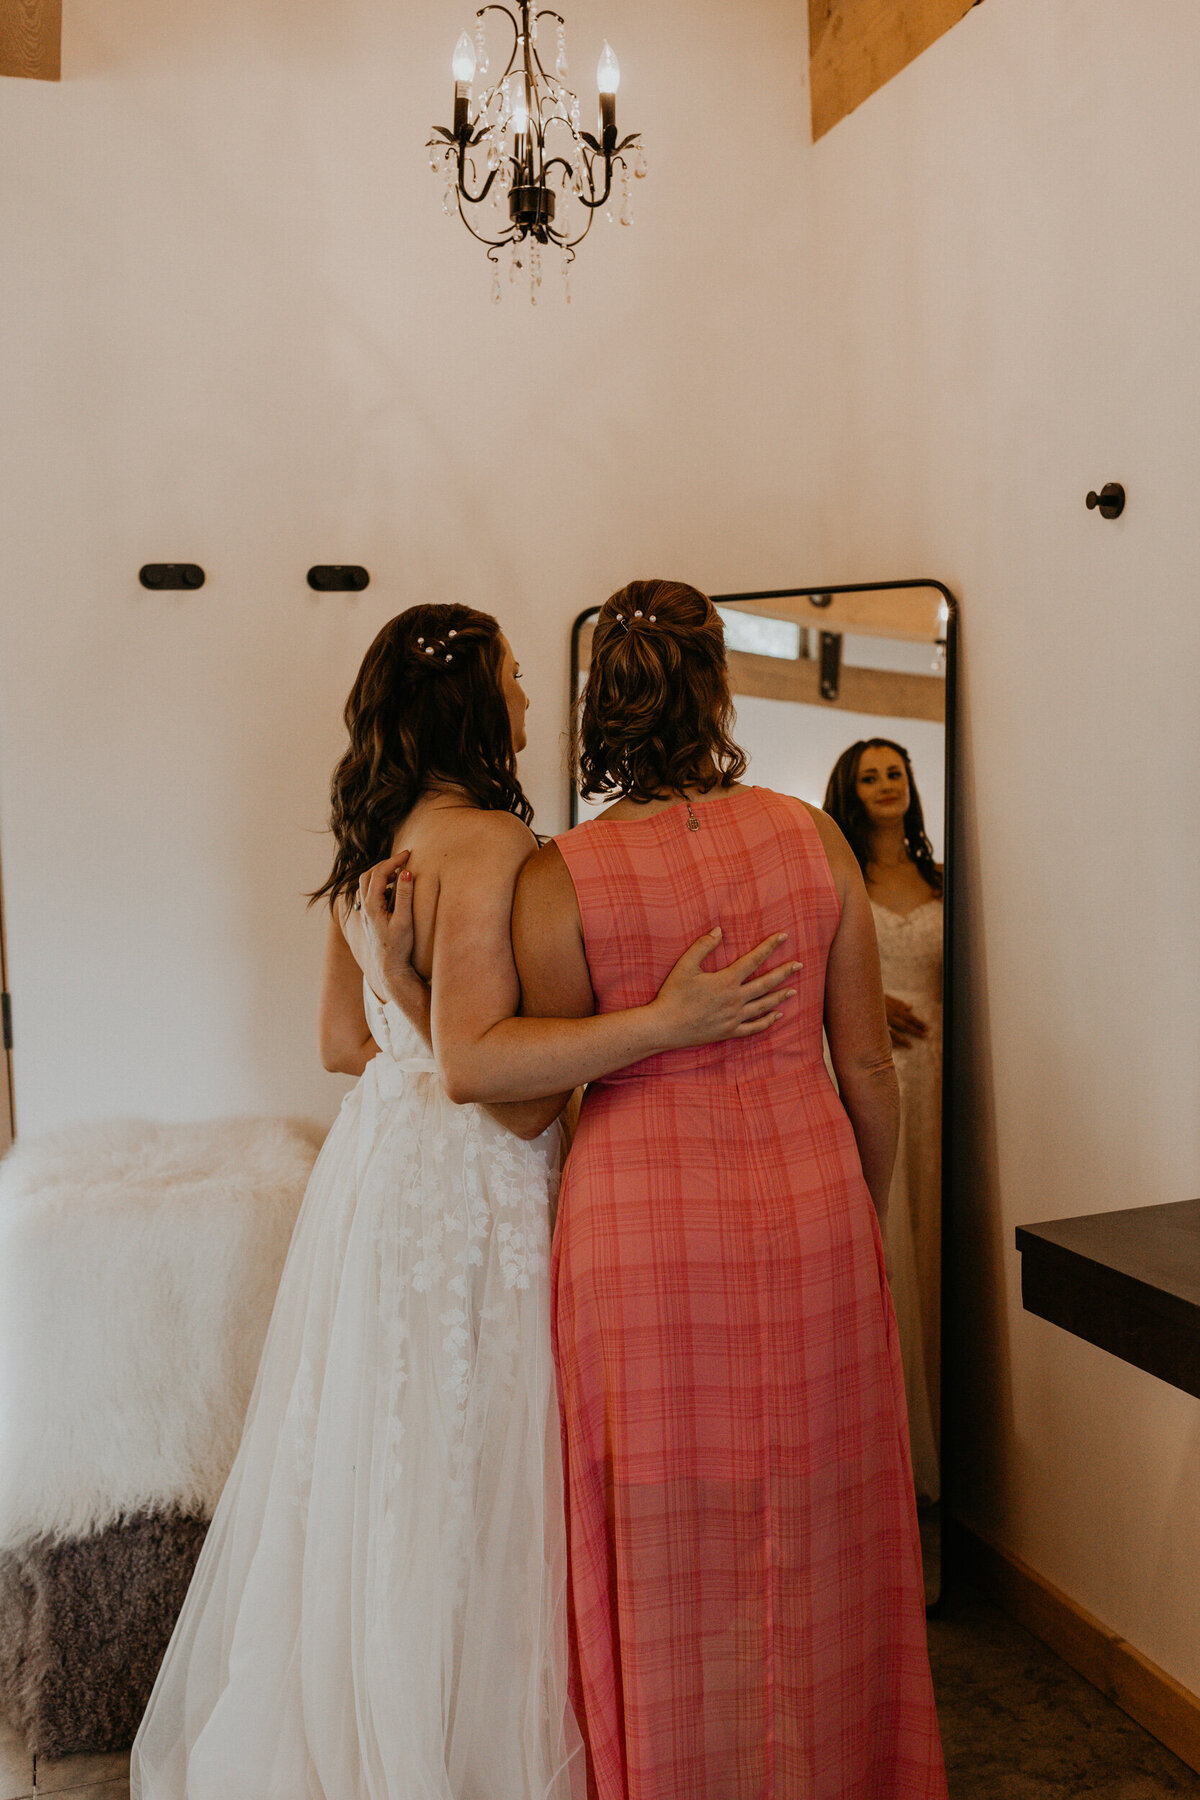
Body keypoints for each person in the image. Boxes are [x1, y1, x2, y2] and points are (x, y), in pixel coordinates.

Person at [130, 603, 793, 1800]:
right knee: (478, 1459)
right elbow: (514, 1100)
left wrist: (399, 976)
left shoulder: (365, 845)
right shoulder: (498, 849)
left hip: (377, 1178)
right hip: (472, 1189)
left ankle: (358, 1723)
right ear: (473, 708)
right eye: (519, 681)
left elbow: (345, 1046)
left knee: (379, 1459)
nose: (535, 702)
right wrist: (664, 1025)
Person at [369, 583, 946, 1799]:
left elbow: (520, 1097)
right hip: (810, 1203)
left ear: (599, 705)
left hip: (634, 1234)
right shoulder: (814, 836)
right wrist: (868, 1210)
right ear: (719, 691)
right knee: (826, 1512)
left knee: (663, 1531)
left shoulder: (559, 874)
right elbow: (868, 1069)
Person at [823, 739, 943, 1505]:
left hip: (940, 1072)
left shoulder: (937, 880)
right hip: (869, 1065)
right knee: (888, 1233)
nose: (885, 785)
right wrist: (869, 1002)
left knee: (934, 1239)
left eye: (894, 773)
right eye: (870, 777)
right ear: (851, 792)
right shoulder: (840, 876)